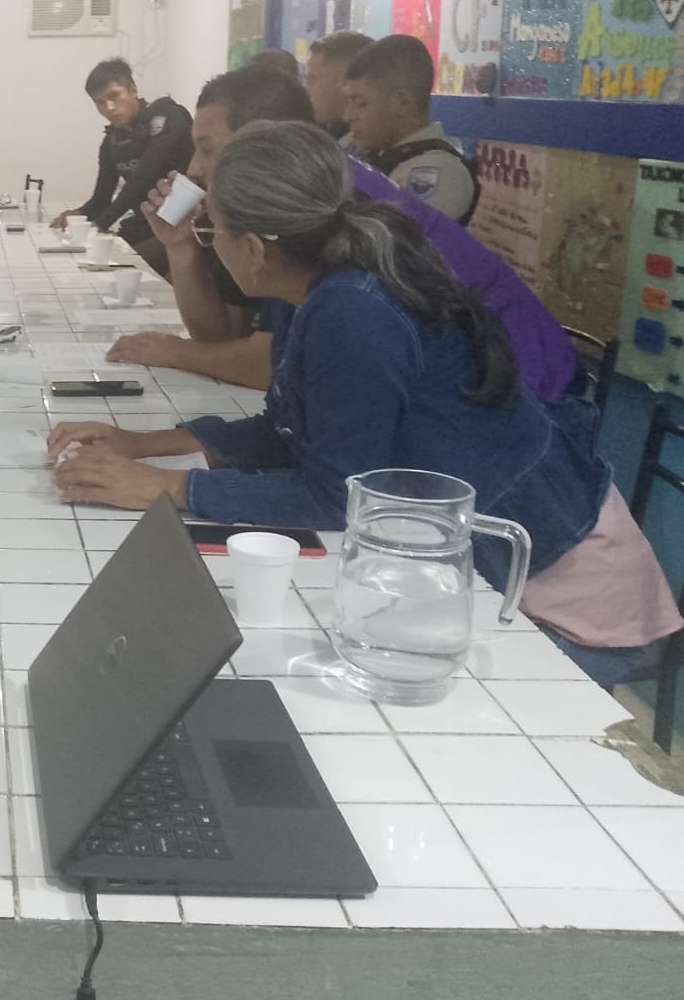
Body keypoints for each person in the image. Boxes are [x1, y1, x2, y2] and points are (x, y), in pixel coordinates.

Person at [49, 121, 680, 689]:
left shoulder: (353, 309)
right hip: (492, 561)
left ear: (257, 248)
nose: (209, 243)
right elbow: (289, 431)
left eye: (213, 231)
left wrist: (167, 487)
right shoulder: (316, 289)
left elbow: (333, 497)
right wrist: (144, 445)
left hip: (560, 588)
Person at [107, 66, 576, 406]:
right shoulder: (274, 206)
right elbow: (224, 340)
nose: (193, 169)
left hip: (525, 398)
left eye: (208, 149)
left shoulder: (325, 200)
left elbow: (265, 366)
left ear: (265, 140)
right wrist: (182, 250)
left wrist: (172, 351)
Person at [49, 57, 193, 277]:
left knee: (114, 269)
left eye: (114, 96)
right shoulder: (111, 142)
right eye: (99, 103)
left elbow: (144, 175)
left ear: (132, 90)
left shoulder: (168, 117)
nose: (109, 108)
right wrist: (78, 215)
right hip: (145, 226)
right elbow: (101, 199)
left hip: (183, 228)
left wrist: (100, 224)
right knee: (89, 263)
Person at [343, 34, 479, 222]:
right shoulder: (356, 145)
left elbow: (397, 236)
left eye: (360, 103)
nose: (348, 115)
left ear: (401, 102)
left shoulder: (439, 171)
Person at [303, 31, 373, 141]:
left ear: (346, 82)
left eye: (312, 79)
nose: (306, 89)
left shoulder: (368, 144)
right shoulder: (321, 133)